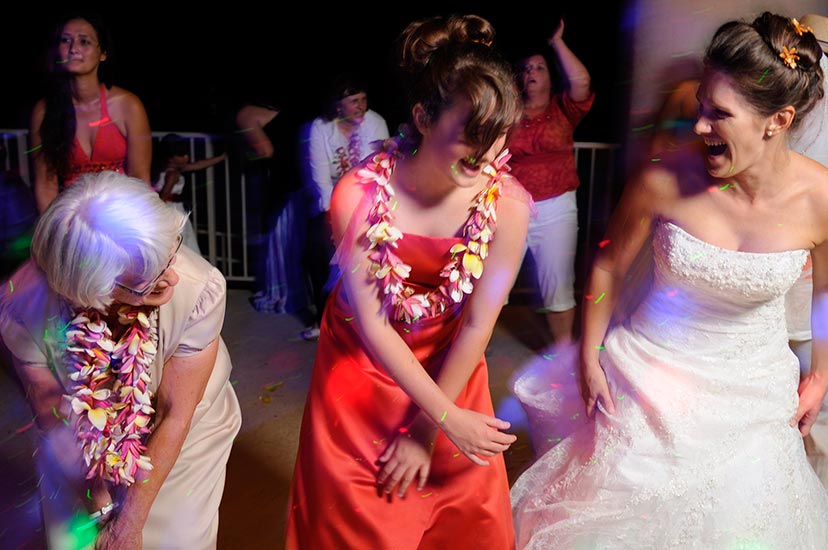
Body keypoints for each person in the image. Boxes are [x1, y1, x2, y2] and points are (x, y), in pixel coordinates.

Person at [510, 12, 828, 548]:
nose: (700, 125)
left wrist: (820, 375)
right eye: (702, 106)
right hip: (647, 377)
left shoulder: (821, 198)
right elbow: (608, 265)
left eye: (719, 114)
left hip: (755, 397)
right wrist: (589, 353)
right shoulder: (662, 176)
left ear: (777, 120)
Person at [285, 14, 531, 549]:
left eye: (500, 135)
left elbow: (478, 325)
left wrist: (433, 426)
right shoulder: (357, 194)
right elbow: (374, 326)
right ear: (422, 117)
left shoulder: (509, 205)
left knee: (465, 519)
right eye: (472, 132)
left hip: (452, 369)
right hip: (361, 373)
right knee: (361, 523)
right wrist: (442, 419)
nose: (489, 156)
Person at [0, 171, 242, 549]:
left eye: (171, 251)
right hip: (75, 443)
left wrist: (129, 524)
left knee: (176, 540)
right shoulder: (22, 308)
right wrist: (97, 503)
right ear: (93, 289)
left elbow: (174, 415)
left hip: (183, 432)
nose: (172, 278)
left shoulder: (201, 289)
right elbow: (55, 418)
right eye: (148, 279)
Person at [506, 20, 594, 347]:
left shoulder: (562, 108)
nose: (532, 72)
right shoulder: (507, 112)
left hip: (557, 206)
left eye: (539, 67)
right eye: (526, 68)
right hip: (510, 206)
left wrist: (557, 43)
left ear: (548, 76)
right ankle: (474, 354)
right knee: (493, 282)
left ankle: (561, 354)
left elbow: (582, 81)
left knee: (557, 284)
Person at [30, 12, 152, 214]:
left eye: (84, 41)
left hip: (122, 215)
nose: (73, 48)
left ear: (103, 53)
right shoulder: (44, 111)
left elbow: (140, 177)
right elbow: (45, 184)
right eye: (65, 40)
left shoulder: (128, 105)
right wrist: (55, 234)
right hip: (72, 219)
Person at [301, 73, 390, 340]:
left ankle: (369, 324)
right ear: (338, 105)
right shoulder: (320, 128)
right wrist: (333, 221)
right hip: (329, 203)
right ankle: (323, 320)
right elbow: (320, 179)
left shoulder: (375, 123)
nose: (360, 106)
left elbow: (379, 170)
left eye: (363, 100)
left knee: (370, 260)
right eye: (353, 101)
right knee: (320, 252)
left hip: (368, 202)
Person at [235, 100, 311, 316]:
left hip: (282, 180)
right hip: (300, 179)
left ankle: (283, 292)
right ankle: (299, 292)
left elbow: (265, 151)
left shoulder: (246, 113)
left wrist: (243, 156)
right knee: (293, 241)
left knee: (280, 241)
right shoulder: (291, 112)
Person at [153, 133, 227, 254]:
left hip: (173, 209)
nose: (186, 158)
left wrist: (220, 157)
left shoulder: (167, 169)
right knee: (181, 242)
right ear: (170, 157)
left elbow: (197, 165)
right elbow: (164, 196)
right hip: (172, 211)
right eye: (181, 155)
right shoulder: (172, 174)